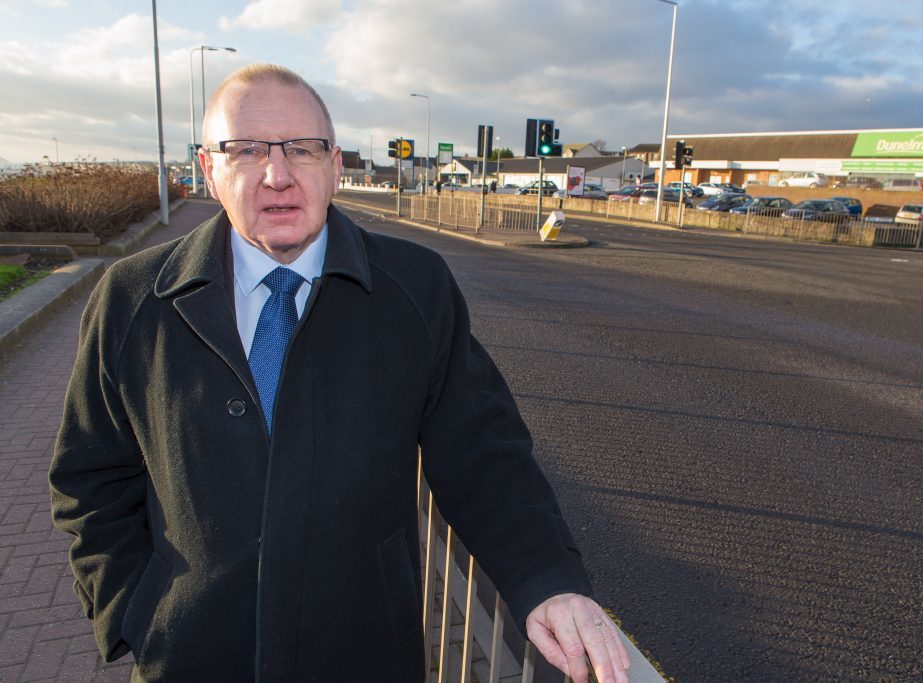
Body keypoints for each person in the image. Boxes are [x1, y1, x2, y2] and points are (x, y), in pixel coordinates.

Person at [49, 63, 629, 682]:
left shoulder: (415, 289)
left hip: (365, 654)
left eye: (303, 148)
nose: (279, 174)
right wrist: (135, 614)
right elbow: (92, 477)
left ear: (333, 163)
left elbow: (485, 454)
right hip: (190, 657)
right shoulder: (133, 299)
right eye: (246, 150)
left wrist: (549, 581)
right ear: (208, 169)